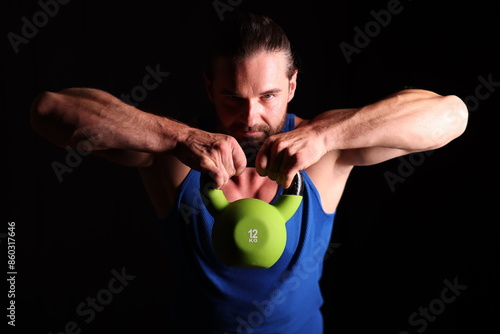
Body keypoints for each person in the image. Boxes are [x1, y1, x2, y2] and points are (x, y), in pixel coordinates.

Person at [30, 12, 468, 334]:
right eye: (232, 98)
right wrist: (176, 136)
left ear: (293, 86)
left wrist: (329, 134)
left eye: (269, 96)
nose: (250, 116)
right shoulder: (174, 153)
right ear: (208, 88)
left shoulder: (325, 150)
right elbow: (48, 111)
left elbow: (452, 116)